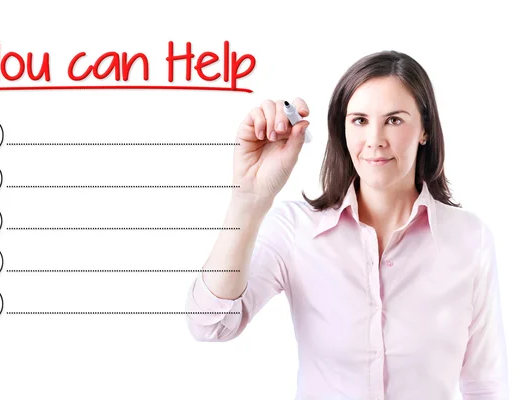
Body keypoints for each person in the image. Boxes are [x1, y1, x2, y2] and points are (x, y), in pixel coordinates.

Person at [184, 50, 509, 399]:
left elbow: (485, 384)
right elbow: (210, 324)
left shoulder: (468, 239)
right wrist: (247, 202)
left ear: (425, 129)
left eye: (394, 120)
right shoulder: (297, 229)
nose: (375, 140)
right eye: (359, 120)